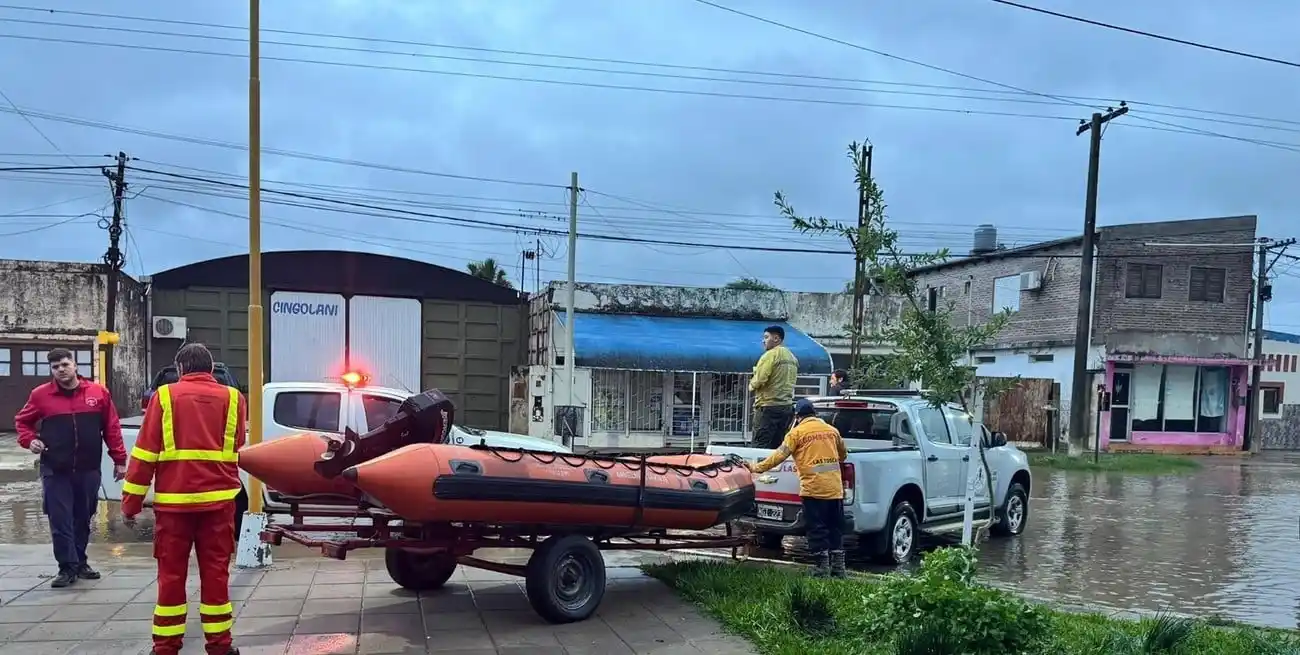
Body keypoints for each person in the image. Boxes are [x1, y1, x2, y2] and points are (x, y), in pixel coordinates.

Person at [122, 343, 246, 655]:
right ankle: (220, 646)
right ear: (210, 368)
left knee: (171, 576)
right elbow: (237, 444)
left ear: (180, 369)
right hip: (219, 503)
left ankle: (165, 648)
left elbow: (145, 453)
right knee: (217, 574)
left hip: (174, 505)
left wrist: (131, 502)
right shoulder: (234, 399)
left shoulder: (164, 397)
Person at [14, 348, 127, 588]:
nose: (61, 370)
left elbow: (112, 428)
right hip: (55, 469)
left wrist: (119, 460)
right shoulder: (40, 396)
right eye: (55, 367)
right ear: (51, 370)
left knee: (83, 518)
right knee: (60, 519)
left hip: (88, 469)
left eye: (65, 364)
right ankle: (66, 567)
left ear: (74, 365)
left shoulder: (98, 394)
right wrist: (29, 439)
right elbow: (22, 422)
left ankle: (80, 562)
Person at [746, 398, 848, 578]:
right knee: (835, 528)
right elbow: (843, 454)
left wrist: (756, 468)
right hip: (834, 489)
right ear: (814, 414)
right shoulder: (832, 431)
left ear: (798, 416)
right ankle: (839, 569)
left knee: (817, 529)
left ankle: (821, 569)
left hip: (813, 490)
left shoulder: (796, 433)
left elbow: (778, 456)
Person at [749, 325, 799, 449]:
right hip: (786, 407)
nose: (763, 340)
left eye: (766, 337)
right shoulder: (792, 358)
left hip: (768, 407)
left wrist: (751, 385)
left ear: (776, 338)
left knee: (760, 446)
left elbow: (759, 380)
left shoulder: (770, 355)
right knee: (778, 447)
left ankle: (760, 469)